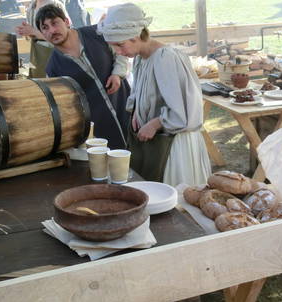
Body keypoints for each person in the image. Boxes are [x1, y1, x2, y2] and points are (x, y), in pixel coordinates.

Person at [97, 3, 211, 186]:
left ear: (135, 36)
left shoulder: (167, 58)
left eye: (120, 45)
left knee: (175, 196)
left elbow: (184, 111)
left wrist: (155, 123)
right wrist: (135, 111)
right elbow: (142, 93)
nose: (118, 52)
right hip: (156, 144)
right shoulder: (141, 59)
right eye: (114, 47)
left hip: (174, 145)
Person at [35, 4, 131, 150]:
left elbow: (122, 51)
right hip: (99, 131)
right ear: (42, 33)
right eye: (45, 27)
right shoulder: (52, 69)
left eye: (54, 23)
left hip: (126, 108)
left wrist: (117, 73)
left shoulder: (95, 33)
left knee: (142, 162)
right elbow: (64, 107)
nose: (52, 31)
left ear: (66, 22)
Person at [16, 0, 69, 78]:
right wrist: (27, 32)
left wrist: (33, 32)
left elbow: (64, 35)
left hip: (54, 56)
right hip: (38, 56)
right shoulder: (31, 8)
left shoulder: (55, 5)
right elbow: (36, 35)